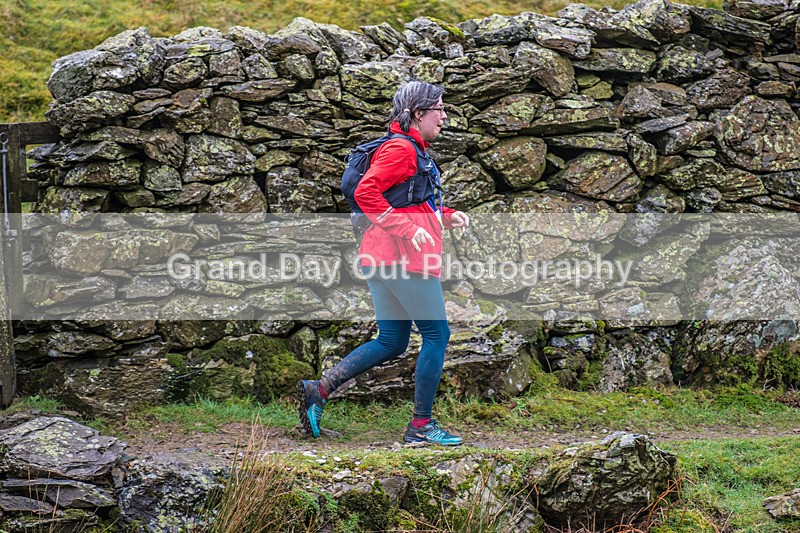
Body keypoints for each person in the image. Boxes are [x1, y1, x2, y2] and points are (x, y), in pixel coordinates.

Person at [297, 80, 470, 446]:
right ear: (418, 114)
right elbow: (367, 193)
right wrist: (408, 229)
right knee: (438, 335)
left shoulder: (411, 149)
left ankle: (320, 389)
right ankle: (421, 427)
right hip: (401, 259)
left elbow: (408, 200)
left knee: (392, 340)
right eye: (439, 109)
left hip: (381, 256)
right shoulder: (402, 150)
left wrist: (444, 216)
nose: (444, 117)